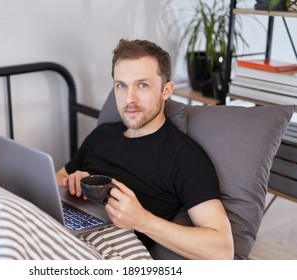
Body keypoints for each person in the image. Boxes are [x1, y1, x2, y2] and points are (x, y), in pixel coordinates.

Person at [56, 39, 234, 260]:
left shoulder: (184, 157)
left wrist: (142, 220)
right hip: (63, 229)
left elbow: (223, 250)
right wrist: (73, 180)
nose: (129, 99)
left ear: (166, 90)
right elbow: (59, 176)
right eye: (121, 85)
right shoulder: (102, 135)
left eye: (142, 85)